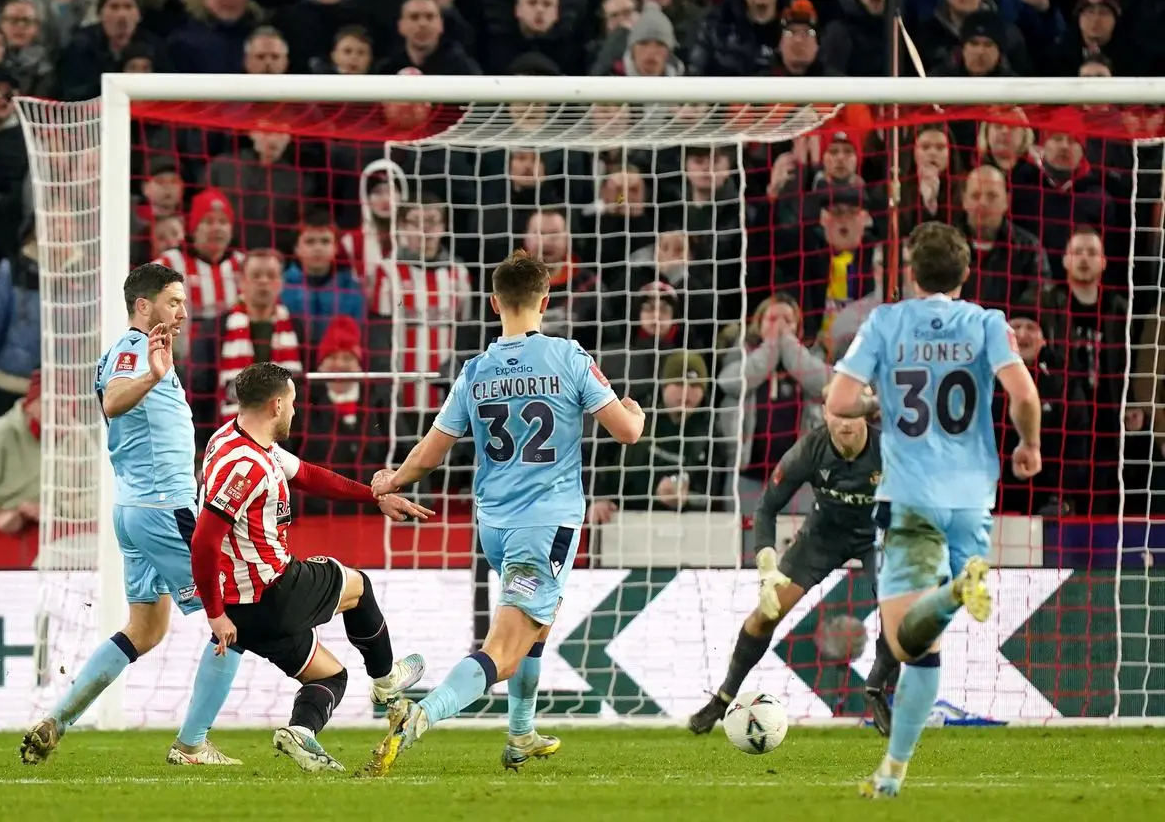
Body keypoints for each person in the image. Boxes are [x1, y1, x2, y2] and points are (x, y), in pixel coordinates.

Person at [361, 249, 646, 776]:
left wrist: (390, 480)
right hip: (546, 524)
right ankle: (420, 715)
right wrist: (635, 411)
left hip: (493, 526)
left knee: (539, 622)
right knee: (505, 650)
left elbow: (431, 450)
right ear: (546, 300)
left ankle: (521, 734)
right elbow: (626, 433)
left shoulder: (476, 370)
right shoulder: (570, 357)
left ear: (494, 303)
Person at [826, 221, 1042, 798]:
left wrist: (882, 397)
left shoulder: (887, 321)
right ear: (966, 274)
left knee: (905, 645)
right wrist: (1029, 446)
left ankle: (951, 591)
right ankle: (891, 775)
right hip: (973, 500)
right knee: (926, 652)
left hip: (910, 499)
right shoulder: (988, 323)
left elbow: (841, 401)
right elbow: (1023, 395)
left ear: (910, 274)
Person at [20, 263, 240, 766]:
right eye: (173, 301)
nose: (183, 312)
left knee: (145, 628)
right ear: (144, 306)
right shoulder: (136, 349)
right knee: (232, 615)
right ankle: (191, 744)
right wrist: (152, 376)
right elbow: (115, 402)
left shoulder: (137, 353)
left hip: (136, 510)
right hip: (164, 509)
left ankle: (57, 719)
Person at [190, 362, 433, 772]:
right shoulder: (245, 466)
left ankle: (301, 732)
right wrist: (213, 614)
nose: (296, 412)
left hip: (244, 612)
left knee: (330, 677)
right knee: (359, 586)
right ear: (277, 404)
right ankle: (387, 681)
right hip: (273, 589)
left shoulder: (231, 439)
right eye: (293, 404)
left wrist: (373, 498)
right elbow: (203, 540)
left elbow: (307, 475)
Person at [687, 386, 886, 735]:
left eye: (853, 416)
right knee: (766, 613)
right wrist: (766, 569)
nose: (845, 425)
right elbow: (765, 507)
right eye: (838, 415)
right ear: (825, 413)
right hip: (822, 539)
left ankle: (878, 692)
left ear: (868, 415)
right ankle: (723, 697)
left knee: (899, 619)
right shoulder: (810, 449)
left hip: (879, 538)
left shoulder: (891, 450)